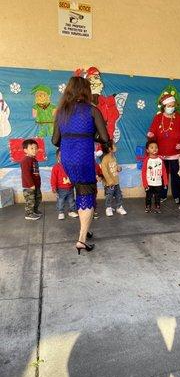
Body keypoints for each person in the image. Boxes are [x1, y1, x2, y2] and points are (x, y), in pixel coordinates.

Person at [52, 76, 109, 254]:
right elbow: (105, 139)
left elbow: (55, 140)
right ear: (86, 91)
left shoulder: (61, 111)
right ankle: (81, 239)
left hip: (67, 159)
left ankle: (86, 229)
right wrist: (90, 136)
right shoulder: (92, 110)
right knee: (86, 194)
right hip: (83, 157)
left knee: (81, 191)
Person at [147, 93, 180, 203]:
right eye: (169, 106)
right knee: (162, 175)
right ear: (164, 107)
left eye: (173, 105)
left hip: (175, 154)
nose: (171, 108)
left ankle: (177, 196)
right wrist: (151, 134)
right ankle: (162, 195)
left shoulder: (179, 118)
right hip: (161, 153)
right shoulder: (158, 118)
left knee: (176, 176)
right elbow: (152, 131)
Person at [101, 140, 127, 217]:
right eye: (114, 145)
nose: (116, 147)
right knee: (109, 195)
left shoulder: (113, 157)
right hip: (109, 183)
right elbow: (104, 171)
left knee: (119, 195)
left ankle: (119, 207)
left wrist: (119, 168)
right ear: (110, 149)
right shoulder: (105, 159)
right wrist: (109, 181)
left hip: (116, 182)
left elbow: (115, 166)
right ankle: (108, 207)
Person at [50, 148, 78, 220]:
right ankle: (61, 212)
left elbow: (73, 175)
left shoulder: (70, 166)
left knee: (71, 200)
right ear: (58, 157)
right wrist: (54, 187)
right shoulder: (56, 167)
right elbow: (53, 178)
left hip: (70, 188)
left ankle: (71, 211)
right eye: (61, 156)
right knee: (60, 201)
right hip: (61, 189)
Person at [141, 140, 168, 213]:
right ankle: (148, 207)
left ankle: (157, 207)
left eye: (156, 147)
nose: (154, 149)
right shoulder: (147, 160)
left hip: (158, 183)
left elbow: (164, 171)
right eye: (152, 147)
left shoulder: (160, 160)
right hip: (149, 183)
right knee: (148, 197)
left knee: (157, 197)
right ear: (147, 150)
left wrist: (165, 182)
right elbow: (143, 172)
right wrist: (145, 184)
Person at [20, 139, 42, 221]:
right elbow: (26, 174)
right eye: (32, 148)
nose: (35, 150)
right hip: (29, 186)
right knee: (31, 200)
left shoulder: (34, 160)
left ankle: (34, 211)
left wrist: (38, 184)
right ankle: (29, 214)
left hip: (36, 185)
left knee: (38, 198)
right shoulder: (25, 160)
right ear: (25, 150)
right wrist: (31, 184)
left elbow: (35, 173)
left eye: (36, 148)